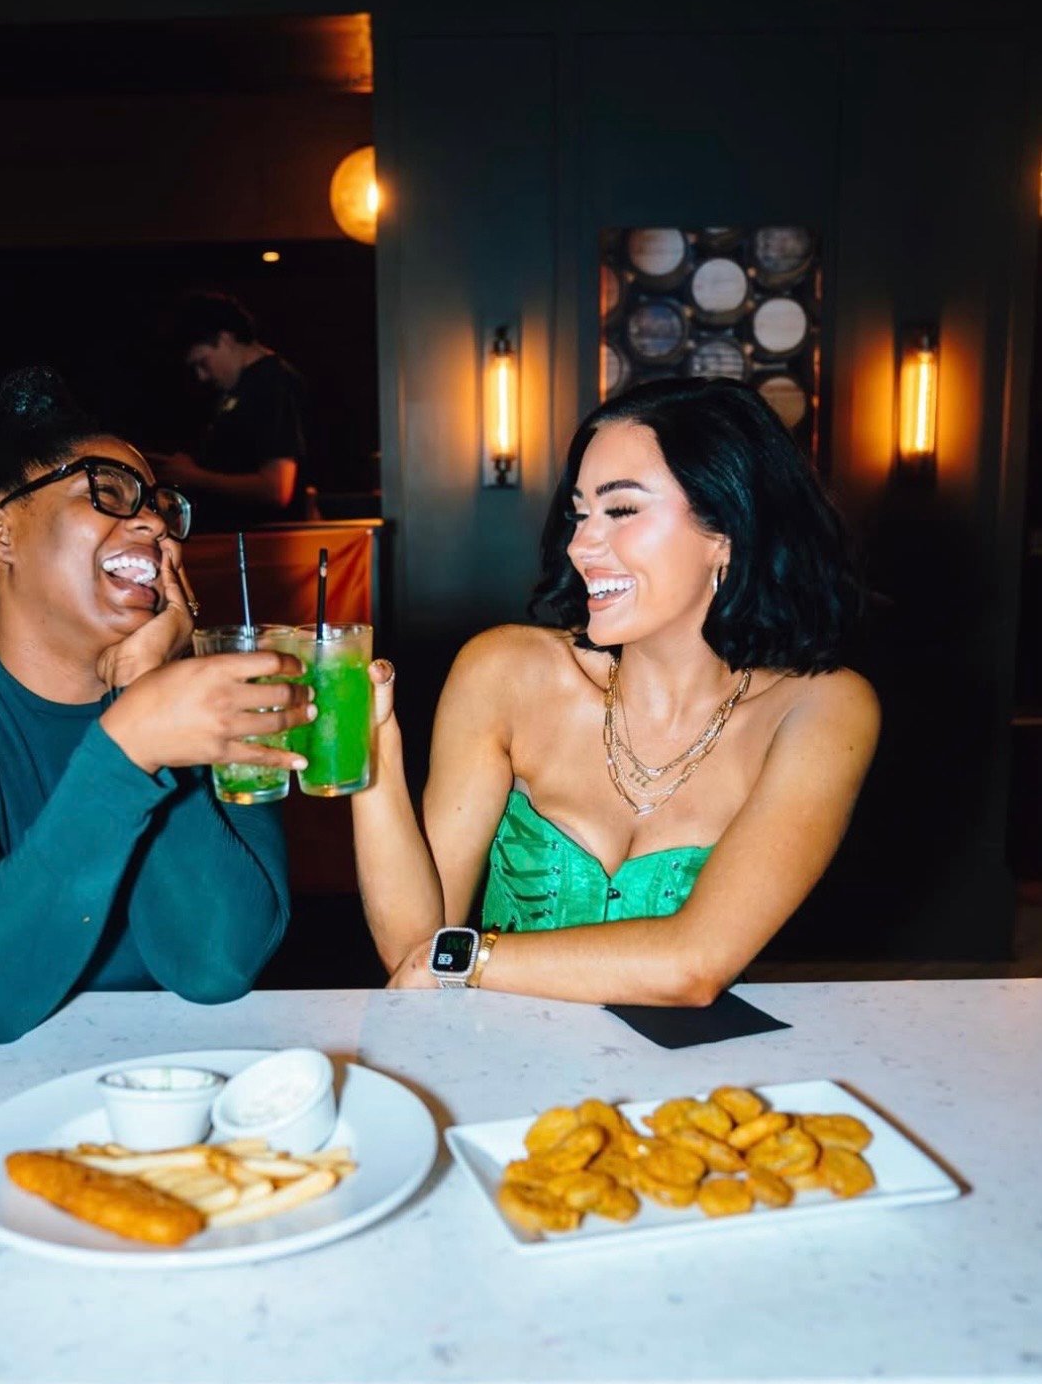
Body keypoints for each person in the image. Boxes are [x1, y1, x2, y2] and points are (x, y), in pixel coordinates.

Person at [0, 366, 313, 1042]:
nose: (155, 522)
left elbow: (212, 966)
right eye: (112, 491)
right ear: (1, 534)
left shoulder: (204, 702)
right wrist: (128, 750)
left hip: (146, 1104)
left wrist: (142, 691)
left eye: (160, 504)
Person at [353, 376, 880, 1002]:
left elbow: (697, 962)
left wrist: (465, 960)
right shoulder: (504, 672)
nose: (581, 544)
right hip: (499, 1064)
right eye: (579, 512)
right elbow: (410, 943)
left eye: (621, 510)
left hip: (686, 1081)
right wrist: (374, 748)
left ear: (726, 532)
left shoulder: (823, 709)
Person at [150, 292, 311, 526]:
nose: (201, 376)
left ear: (225, 339)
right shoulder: (243, 386)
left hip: (265, 544)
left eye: (203, 363)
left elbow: (276, 488)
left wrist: (195, 476)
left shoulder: (272, 383)